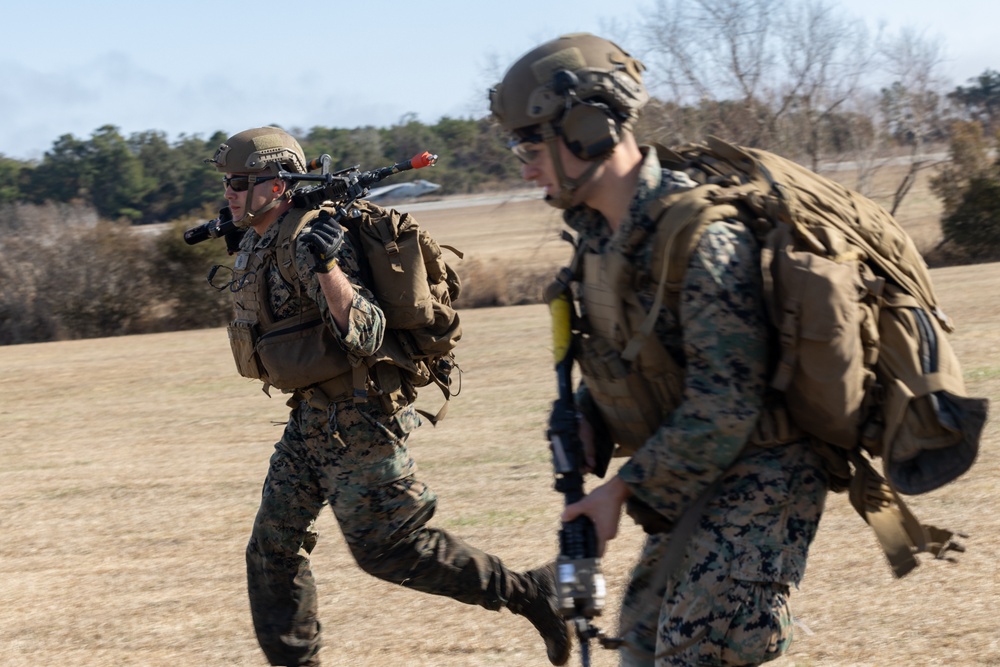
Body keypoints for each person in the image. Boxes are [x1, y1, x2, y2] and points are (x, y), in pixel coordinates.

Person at [489, 34, 828, 666]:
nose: (524, 163)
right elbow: (645, 361)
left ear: (588, 129)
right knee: (641, 646)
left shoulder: (703, 237)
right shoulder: (604, 242)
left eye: (530, 143)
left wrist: (619, 493)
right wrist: (590, 416)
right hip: (694, 478)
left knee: (695, 651)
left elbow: (726, 401)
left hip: (761, 477)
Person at [203, 126, 570, 667]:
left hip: (360, 416)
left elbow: (369, 333)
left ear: (276, 185)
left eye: (238, 182)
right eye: (227, 184)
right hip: (312, 417)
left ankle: (532, 594)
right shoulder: (260, 236)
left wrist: (328, 268)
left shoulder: (312, 240)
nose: (228, 193)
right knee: (272, 550)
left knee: (390, 549)